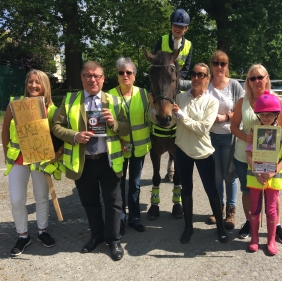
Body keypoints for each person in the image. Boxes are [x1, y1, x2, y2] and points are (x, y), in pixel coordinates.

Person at [52, 61, 130, 261]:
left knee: (114, 202)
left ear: (103, 79)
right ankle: (96, 236)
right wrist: (75, 135)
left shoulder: (114, 100)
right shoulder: (70, 100)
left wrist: (114, 123)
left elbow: (127, 128)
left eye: (96, 76)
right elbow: (57, 126)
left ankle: (113, 240)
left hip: (108, 160)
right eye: (88, 75)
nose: (92, 79)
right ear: (82, 78)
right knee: (90, 202)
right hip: (83, 161)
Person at [2, 69, 60, 256]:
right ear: (26, 84)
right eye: (30, 81)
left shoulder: (51, 109)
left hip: (40, 160)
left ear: (45, 86)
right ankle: (22, 235)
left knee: (41, 197)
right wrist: (6, 154)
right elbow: (4, 133)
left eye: (38, 82)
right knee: (17, 200)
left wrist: (56, 155)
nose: (34, 85)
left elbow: (59, 135)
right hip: (18, 160)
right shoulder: (14, 105)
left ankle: (42, 231)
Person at [231, 64, 282, 244]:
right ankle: (250, 223)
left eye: (260, 77)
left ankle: (277, 226)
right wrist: (246, 138)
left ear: (267, 78)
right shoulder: (243, 101)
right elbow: (234, 127)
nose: (257, 81)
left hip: (271, 156)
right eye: (252, 78)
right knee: (248, 191)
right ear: (248, 82)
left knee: (273, 192)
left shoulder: (276, 100)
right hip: (246, 155)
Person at [172, 63, 228, 244]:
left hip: (203, 152)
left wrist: (181, 115)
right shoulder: (180, 97)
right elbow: (170, 121)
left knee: (211, 190)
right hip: (182, 150)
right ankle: (188, 227)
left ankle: (220, 227)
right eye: (194, 74)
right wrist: (155, 108)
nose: (196, 78)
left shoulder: (211, 101)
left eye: (201, 75)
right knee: (186, 190)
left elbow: (203, 129)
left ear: (207, 79)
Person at [109, 57, 151, 234]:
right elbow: (108, 125)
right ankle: (120, 219)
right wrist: (121, 141)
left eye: (129, 72)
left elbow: (152, 117)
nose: (125, 75)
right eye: (121, 72)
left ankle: (134, 218)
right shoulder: (109, 96)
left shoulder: (144, 94)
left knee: (135, 185)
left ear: (135, 76)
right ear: (117, 76)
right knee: (119, 186)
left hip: (139, 149)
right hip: (119, 148)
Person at [246, 91, 282, 255]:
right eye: (262, 115)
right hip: (255, 176)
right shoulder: (254, 133)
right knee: (255, 208)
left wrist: (273, 172)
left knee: (271, 210)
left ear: (276, 115)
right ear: (258, 115)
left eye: (270, 115)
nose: (266, 118)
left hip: (273, 178)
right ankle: (255, 239)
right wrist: (255, 171)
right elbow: (248, 155)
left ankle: (271, 240)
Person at [154, 8, 192, 181]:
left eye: (181, 27)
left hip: (178, 81)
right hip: (161, 80)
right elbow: (154, 63)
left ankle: (181, 146)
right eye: (176, 25)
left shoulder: (189, 45)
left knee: (188, 107)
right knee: (150, 98)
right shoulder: (161, 40)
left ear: (186, 29)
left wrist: (177, 80)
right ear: (171, 26)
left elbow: (187, 67)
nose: (178, 29)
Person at [206, 50, 244, 229]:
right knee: (216, 176)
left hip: (229, 136)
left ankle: (231, 211)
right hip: (211, 137)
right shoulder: (207, 85)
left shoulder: (234, 85)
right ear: (211, 66)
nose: (219, 67)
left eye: (223, 64)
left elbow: (242, 109)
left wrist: (226, 117)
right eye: (215, 63)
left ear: (227, 66)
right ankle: (217, 209)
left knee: (230, 175)